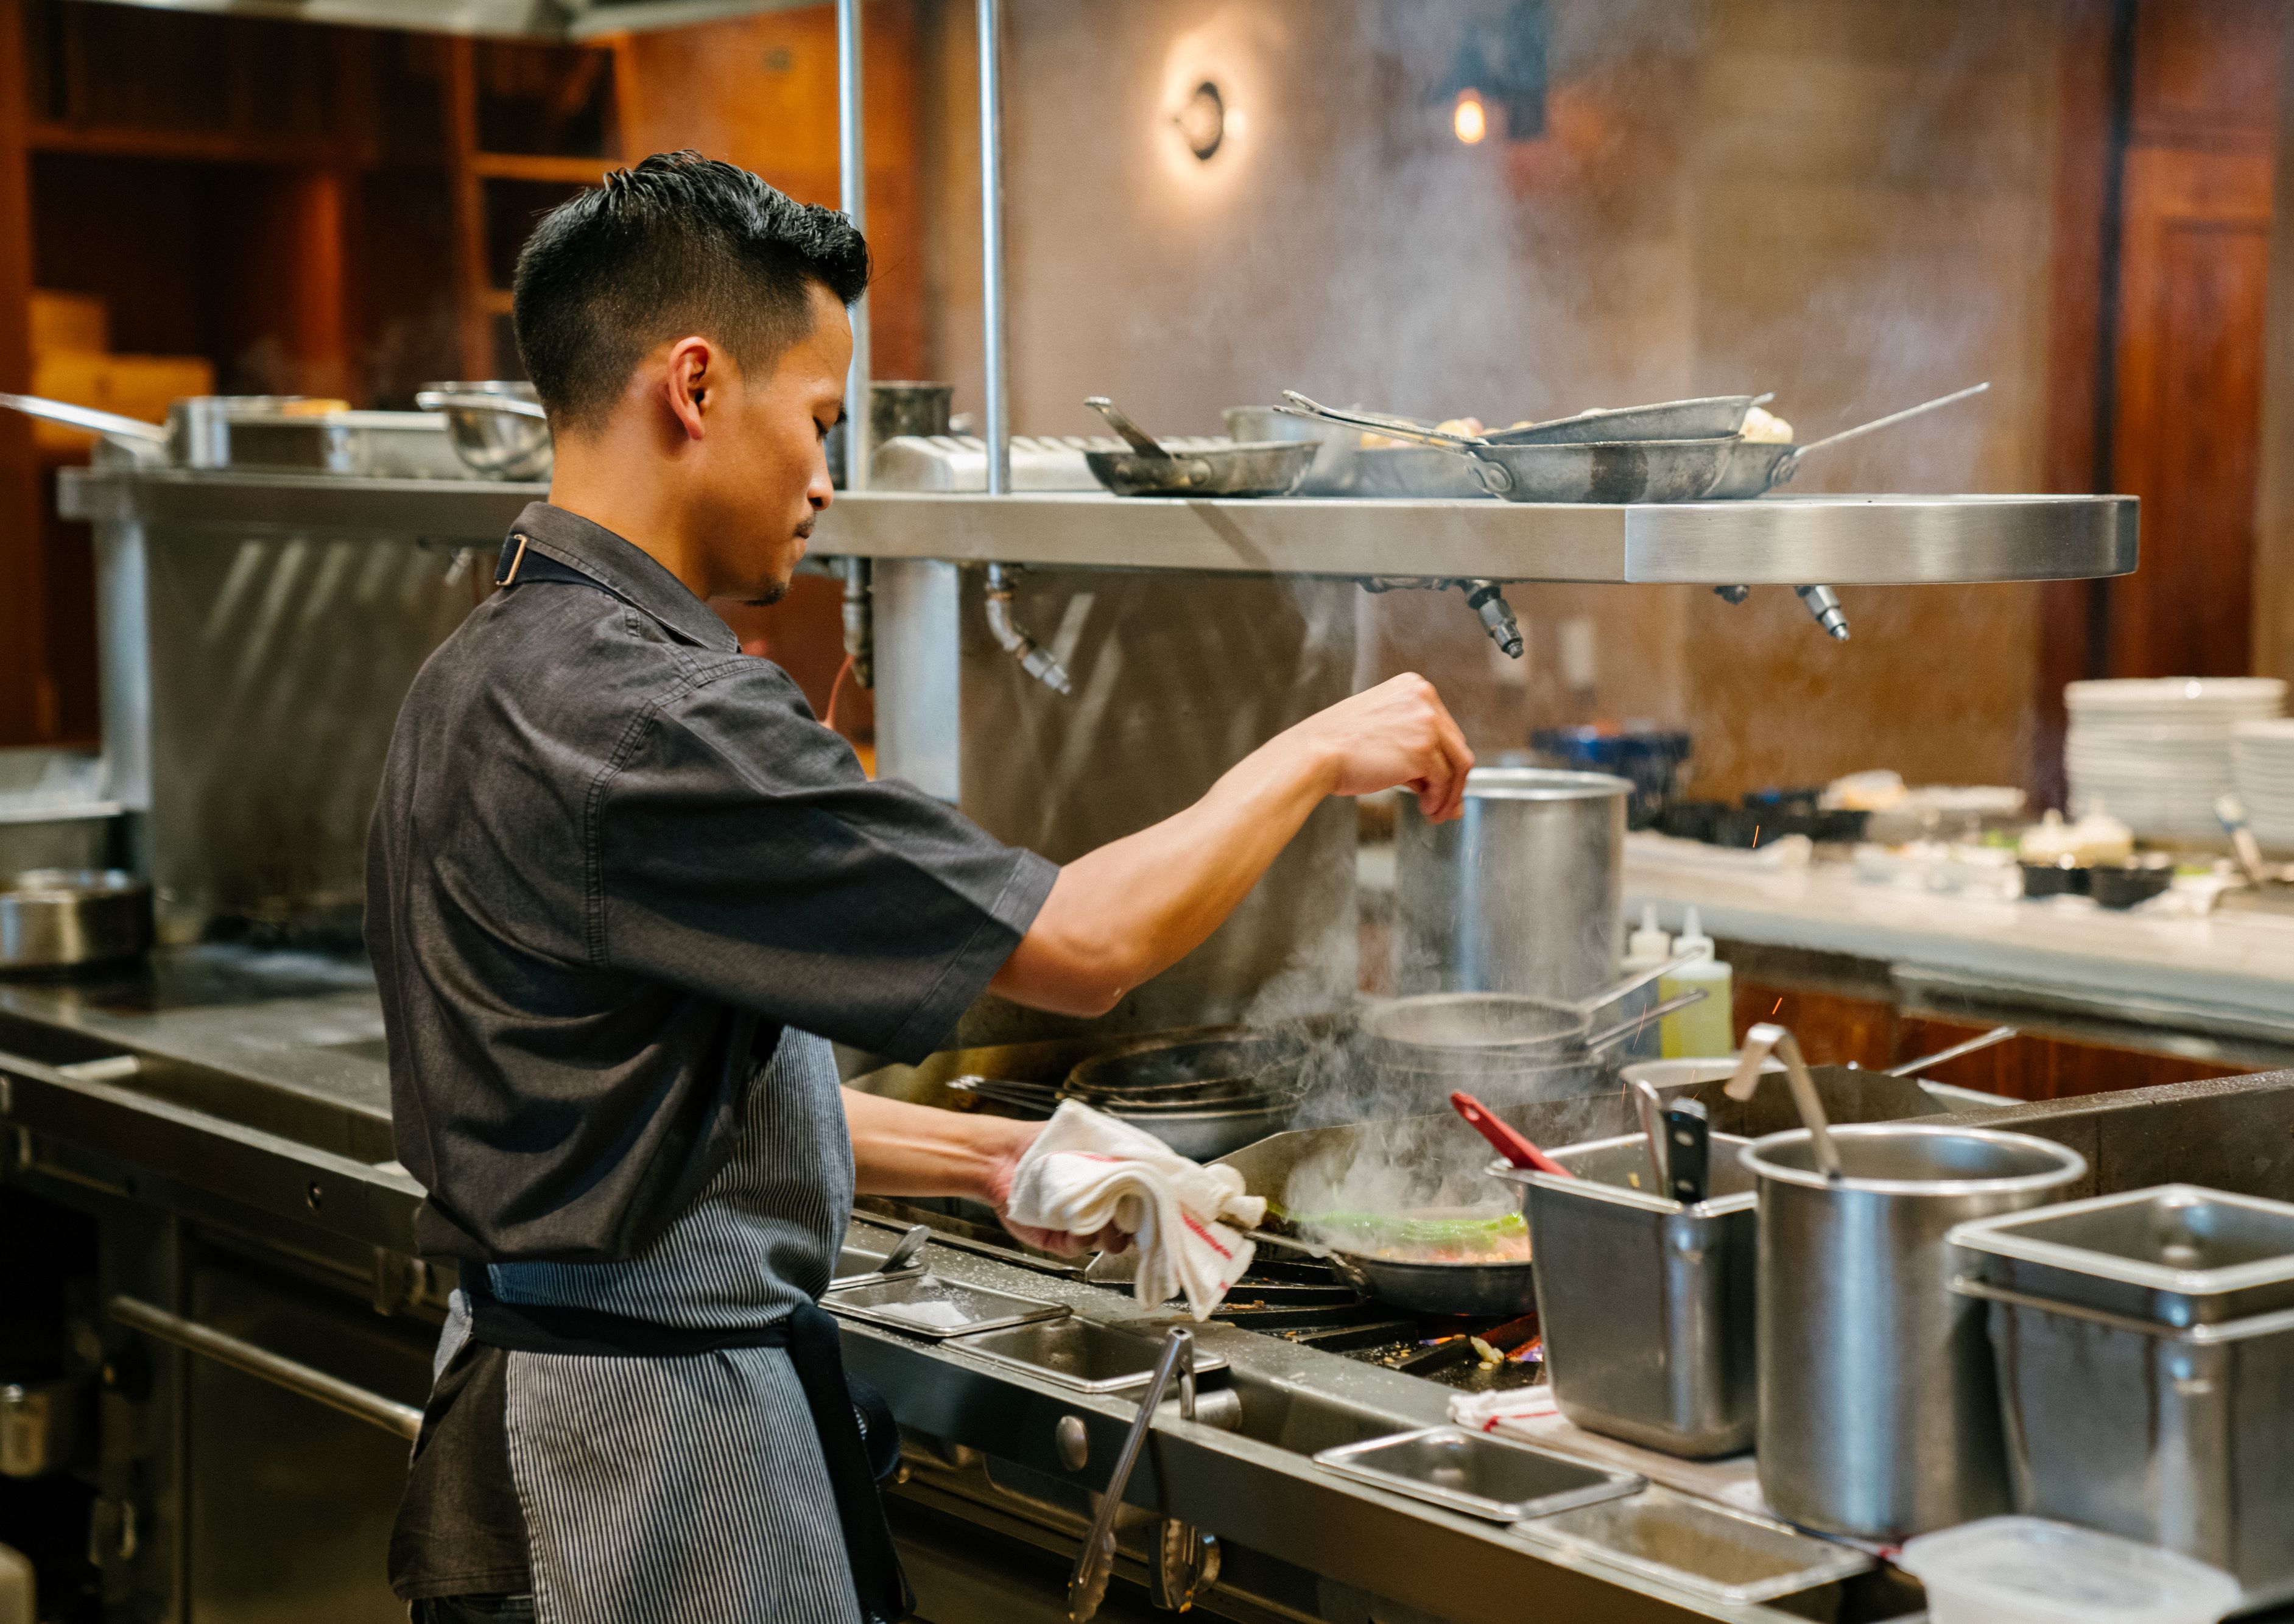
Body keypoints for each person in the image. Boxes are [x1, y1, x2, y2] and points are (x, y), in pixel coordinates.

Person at [365, 152, 1474, 1624]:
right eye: (819, 419)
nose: (828, 477)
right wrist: (1318, 747)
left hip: (531, 1408)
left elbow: (641, 1104)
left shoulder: (476, 672)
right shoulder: (658, 721)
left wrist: (988, 1162)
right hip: (640, 1473)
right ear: (694, 385)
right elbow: (1084, 943)